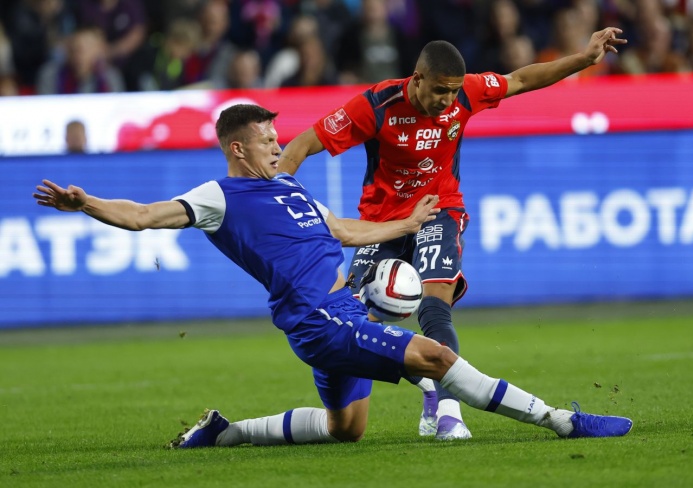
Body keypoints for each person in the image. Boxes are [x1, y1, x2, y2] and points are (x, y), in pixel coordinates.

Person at [33, 104, 632, 449]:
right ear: (238, 149)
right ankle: (562, 421)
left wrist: (407, 221)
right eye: (267, 141)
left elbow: (344, 230)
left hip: (340, 312)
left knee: (347, 429)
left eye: (277, 138)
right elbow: (143, 216)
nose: (278, 147)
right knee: (435, 357)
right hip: (319, 320)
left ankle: (223, 433)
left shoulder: (291, 188)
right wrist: (86, 204)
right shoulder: (217, 196)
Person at [278, 27, 627, 441]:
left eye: (453, 92)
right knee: (353, 320)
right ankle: (426, 383)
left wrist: (584, 59)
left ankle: (449, 414)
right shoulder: (375, 105)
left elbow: (520, 79)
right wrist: (277, 199)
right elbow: (300, 146)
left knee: (433, 308)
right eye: (440, 90)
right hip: (381, 223)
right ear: (417, 78)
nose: (447, 100)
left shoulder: (467, 93)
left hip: (439, 210)